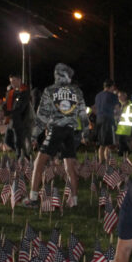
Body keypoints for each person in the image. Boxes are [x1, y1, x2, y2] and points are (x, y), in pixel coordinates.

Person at [23, 63, 89, 208]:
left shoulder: (50, 90)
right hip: (70, 131)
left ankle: (33, 198)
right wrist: (86, 133)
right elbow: (83, 115)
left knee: (38, 163)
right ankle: (74, 200)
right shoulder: (77, 91)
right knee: (69, 167)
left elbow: (42, 116)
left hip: (56, 130)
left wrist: (34, 136)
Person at [5, 74, 31, 159]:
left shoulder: (24, 91)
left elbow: (20, 107)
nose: (12, 83)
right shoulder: (11, 92)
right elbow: (6, 105)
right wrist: (1, 112)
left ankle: (22, 159)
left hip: (21, 121)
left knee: (18, 142)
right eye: (11, 82)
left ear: (19, 80)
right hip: (11, 121)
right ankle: (24, 156)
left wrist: (9, 113)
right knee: (8, 141)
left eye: (14, 81)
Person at [114, 90, 132, 157]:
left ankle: (122, 153)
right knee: (122, 141)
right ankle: (125, 152)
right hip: (121, 127)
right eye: (118, 96)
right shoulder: (122, 105)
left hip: (126, 126)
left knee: (122, 141)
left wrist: (121, 117)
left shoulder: (129, 105)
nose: (119, 97)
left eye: (120, 96)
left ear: (125, 96)